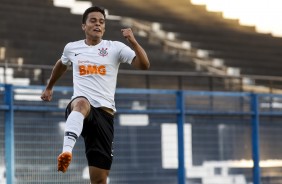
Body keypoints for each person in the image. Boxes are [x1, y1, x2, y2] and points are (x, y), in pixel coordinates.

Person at [40, 6, 150, 184]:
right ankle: (66, 151)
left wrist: (133, 41)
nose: (98, 24)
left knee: (99, 180)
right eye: (93, 21)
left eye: (101, 22)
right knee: (82, 102)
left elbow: (144, 65)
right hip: (81, 109)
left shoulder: (115, 48)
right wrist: (49, 87)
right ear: (84, 26)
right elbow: (62, 63)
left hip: (105, 116)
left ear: (104, 28)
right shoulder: (72, 48)